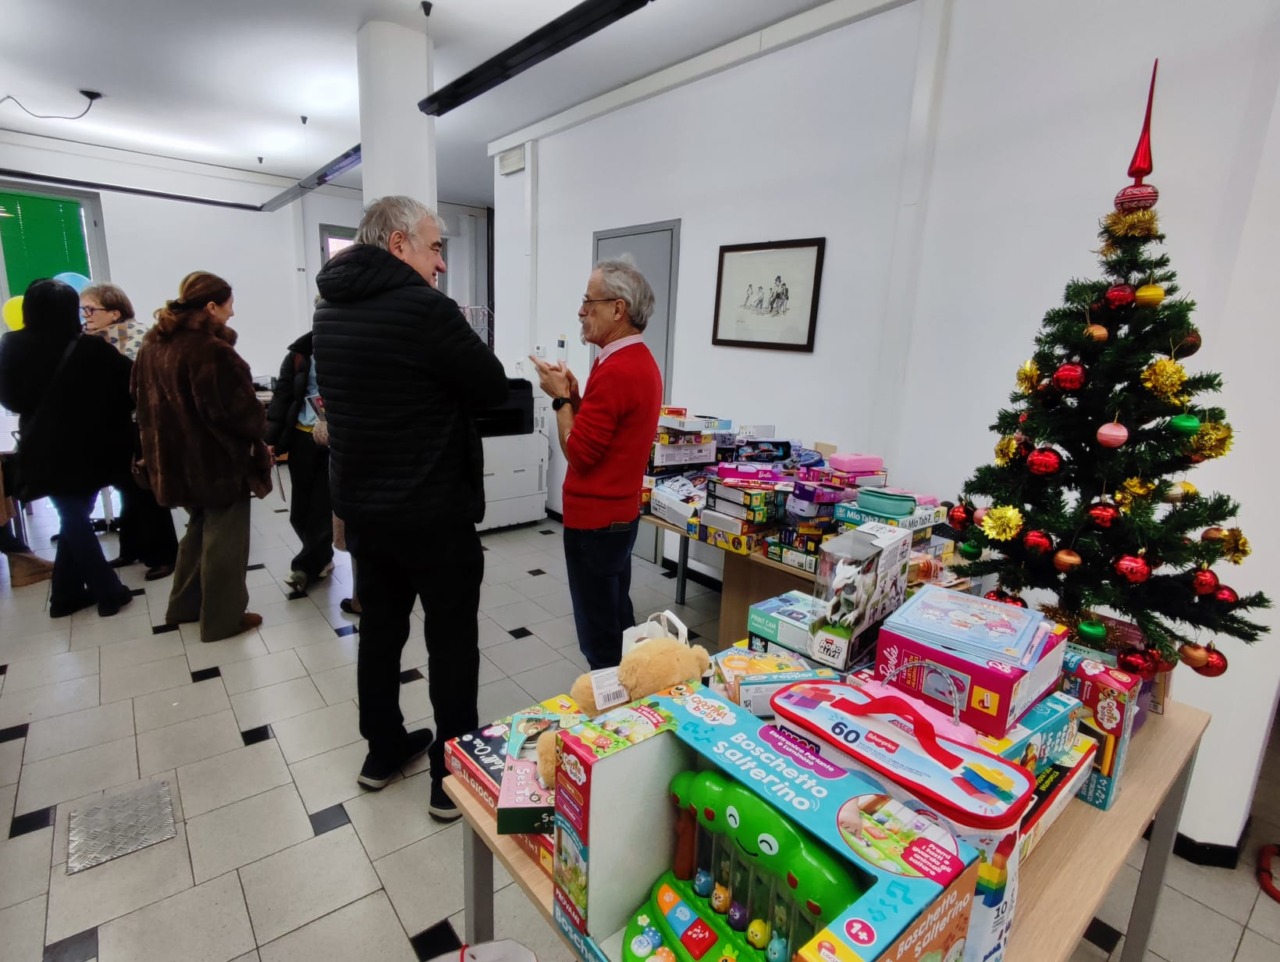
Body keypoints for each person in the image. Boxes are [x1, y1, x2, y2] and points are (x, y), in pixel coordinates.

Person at [314, 195, 508, 819]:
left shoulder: (328, 311)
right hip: (433, 512)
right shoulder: (427, 310)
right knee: (451, 642)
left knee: (381, 633)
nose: (442, 263)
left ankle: (383, 751)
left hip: (367, 512)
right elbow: (494, 387)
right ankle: (451, 776)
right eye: (435, 246)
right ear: (398, 245)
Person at [528, 258, 663, 670]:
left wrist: (558, 399)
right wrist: (574, 395)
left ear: (618, 309)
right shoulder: (631, 359)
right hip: (617, 516)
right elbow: (602, 435)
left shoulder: (618, 368)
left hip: (596, 523)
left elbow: (581, 454)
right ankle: (633, 697)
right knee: (617, 617)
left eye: (590, 302)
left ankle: (615, 718)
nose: (582, 311)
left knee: (599, 635)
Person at [132, 271, 272, 641]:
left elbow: (138, 399)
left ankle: (183, 605)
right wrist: (261, 427)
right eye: (229, 305)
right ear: (211, 306)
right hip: (217, 463)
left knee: (196, 533)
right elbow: (236, 412)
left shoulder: (151, 345)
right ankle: (222, 620)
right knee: (225, 541)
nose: (232, 313)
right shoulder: (211, 351)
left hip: (173, 461)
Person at [0, 278, 134, 617]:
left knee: (71, 513)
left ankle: (65, 595)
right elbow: (129, 384)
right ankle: (108, 591)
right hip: (89, 445)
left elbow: (9, 397)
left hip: (39, 444)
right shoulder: (90, 347)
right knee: (74, 514)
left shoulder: (11, 345)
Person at [81, 282, 178, 580]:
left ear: (114, 313)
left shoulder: (137, 339)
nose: (85, 316)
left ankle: (164, 555)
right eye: (82, 309)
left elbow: (146, 388)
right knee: (127, 489)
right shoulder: (95, 340)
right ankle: (132, 547)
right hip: (115, 426)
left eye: (90, 309)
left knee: (146, 489)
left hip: (141, 424)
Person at [264, 332, 334, 593]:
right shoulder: (298, 354)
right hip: (301, 438)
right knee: (300, 510)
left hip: (332, 440)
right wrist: (270, 440)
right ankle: (320, 557)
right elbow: (283, 396)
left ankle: (303, 567)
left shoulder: (347, 347)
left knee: (321, 506)